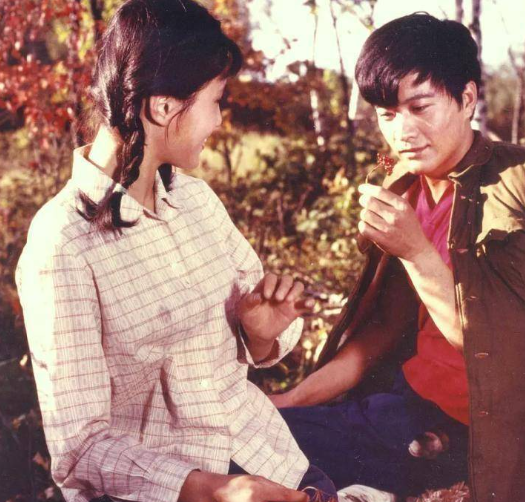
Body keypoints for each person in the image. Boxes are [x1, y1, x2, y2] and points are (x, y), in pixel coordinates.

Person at [271, 12, 525, 502]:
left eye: (420, 107)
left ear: (466, 99)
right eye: (387, 114)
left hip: (486, 437)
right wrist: (289, 401)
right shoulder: (405, 187)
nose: (403, 132)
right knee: (251, 441)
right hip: (404, 407)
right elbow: (384, 330)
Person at [14, 1, 337, 501]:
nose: (220, 120)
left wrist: (259, 333)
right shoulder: (62, 245)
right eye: (216, 100)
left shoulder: (196, 200)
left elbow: (266, 342)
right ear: (163, 108)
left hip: (268, 457)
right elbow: (81, 449)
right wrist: (213, 490)